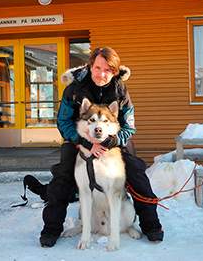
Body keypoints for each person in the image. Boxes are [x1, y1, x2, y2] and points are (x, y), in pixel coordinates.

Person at [40, 47, 164, 247]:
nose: (101, 74)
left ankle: (151, 225)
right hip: (78, 140)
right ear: (90, 66)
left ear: (114, 71)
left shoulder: (120, 90)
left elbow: (129, 125)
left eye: (107, 70)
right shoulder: (74, 89)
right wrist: (85, 142)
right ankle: (51, 229)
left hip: (112, 140)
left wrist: (112, 141)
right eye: (97, 68)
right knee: (62, 176)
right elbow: (63, 122)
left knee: (136, 172)